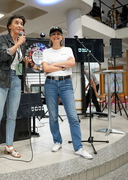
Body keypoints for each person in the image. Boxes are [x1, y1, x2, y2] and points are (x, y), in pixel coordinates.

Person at [41, 26, 93, 160]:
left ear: (62, 37)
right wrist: (63, 64)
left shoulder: (68, 49)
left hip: (66, 84)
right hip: (50, 84)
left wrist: (55, 65)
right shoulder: (46, 51)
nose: (56, 36)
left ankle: (78, 147)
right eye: (53, 34)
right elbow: (45, 68)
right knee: (53, 116)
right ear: (50, 37)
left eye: (58, 34)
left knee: (73, 117)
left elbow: (73, 63)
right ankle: (57, 141)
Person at [0, 14, 26, 162]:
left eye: (21, 23)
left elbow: (19, 64)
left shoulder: (23, 43)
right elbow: (3, 55)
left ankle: (9, 145)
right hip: (1, 79)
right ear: (10, 26)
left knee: (12, 115)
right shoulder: (3, 39)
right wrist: (18, 44)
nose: (20, 25)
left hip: (16, 79)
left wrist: (24, 62)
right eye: (17, 23)